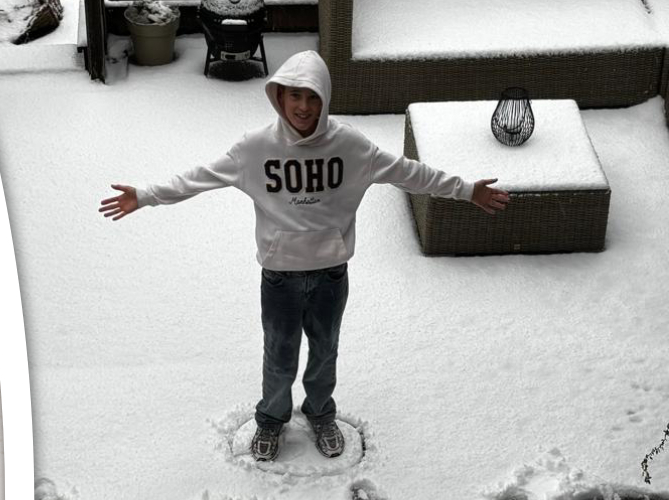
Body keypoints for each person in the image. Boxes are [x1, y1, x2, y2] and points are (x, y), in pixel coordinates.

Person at [99, 51, 510, 461]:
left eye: (312, 97)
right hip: (280, 277)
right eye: (294, 95)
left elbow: (410, 173)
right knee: (279, 356)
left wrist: (467, 190)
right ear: (278, 96)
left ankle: (320, 413)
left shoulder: (351, 147)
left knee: (325, 351)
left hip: (331, 274)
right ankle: (271, 420)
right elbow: (199, 178)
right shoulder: (255, 148)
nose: (303, 107)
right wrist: (147, 195)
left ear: (325, 98)